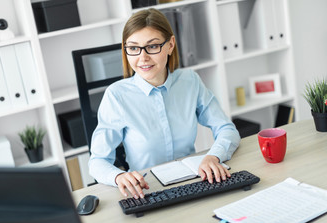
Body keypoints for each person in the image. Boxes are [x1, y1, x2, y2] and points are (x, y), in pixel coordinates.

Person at [89, 8, 240, 199]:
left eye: (152, 46)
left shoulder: (189, 81)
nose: (142, 58)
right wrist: (118, 176)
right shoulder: (117, 96)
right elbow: (97, 162)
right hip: (147, 191)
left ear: (170, 45)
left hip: (195, 184)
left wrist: (213, 156)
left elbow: (227, 129)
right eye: (134, 48)